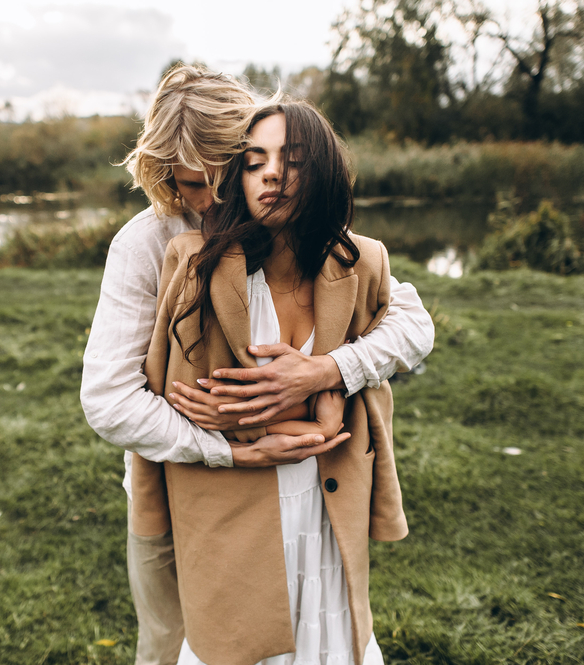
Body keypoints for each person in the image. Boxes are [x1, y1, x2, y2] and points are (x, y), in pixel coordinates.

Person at [80, 66, 433, 665]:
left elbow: (409, 321)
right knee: (173, 643)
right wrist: (230, 448)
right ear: (166, 175)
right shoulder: (146, 244)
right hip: (181, 484)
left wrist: (328, 371)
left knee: (304, 629)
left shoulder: (291, 220)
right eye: (194, 184)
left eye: (230, 173)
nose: (214, 200)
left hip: (302, 484)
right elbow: (110, 401)